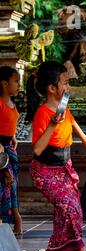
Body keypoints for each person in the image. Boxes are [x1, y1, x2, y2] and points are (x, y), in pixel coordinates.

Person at [28, 61, 86, 251]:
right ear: (51, 88)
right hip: (45, 171)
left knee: (69, 210)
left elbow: (71, 121)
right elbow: (37, 149)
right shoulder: (42, 114)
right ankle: (79, 245)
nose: (68, 87)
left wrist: (85, 139)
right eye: (64, 83)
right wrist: (53, 125)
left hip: (64, 167)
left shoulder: (63, 106)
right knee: (69, 207)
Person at [0, 66, 22, 236]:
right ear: (4, 84)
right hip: (0, 151)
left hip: (9, 149)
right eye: (16, 81)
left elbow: (9, 123)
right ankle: (13, 218)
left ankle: (15, 217)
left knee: (12, 184)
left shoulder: (12, 104)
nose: (18, 85)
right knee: (6, 185)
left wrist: (13, 135)